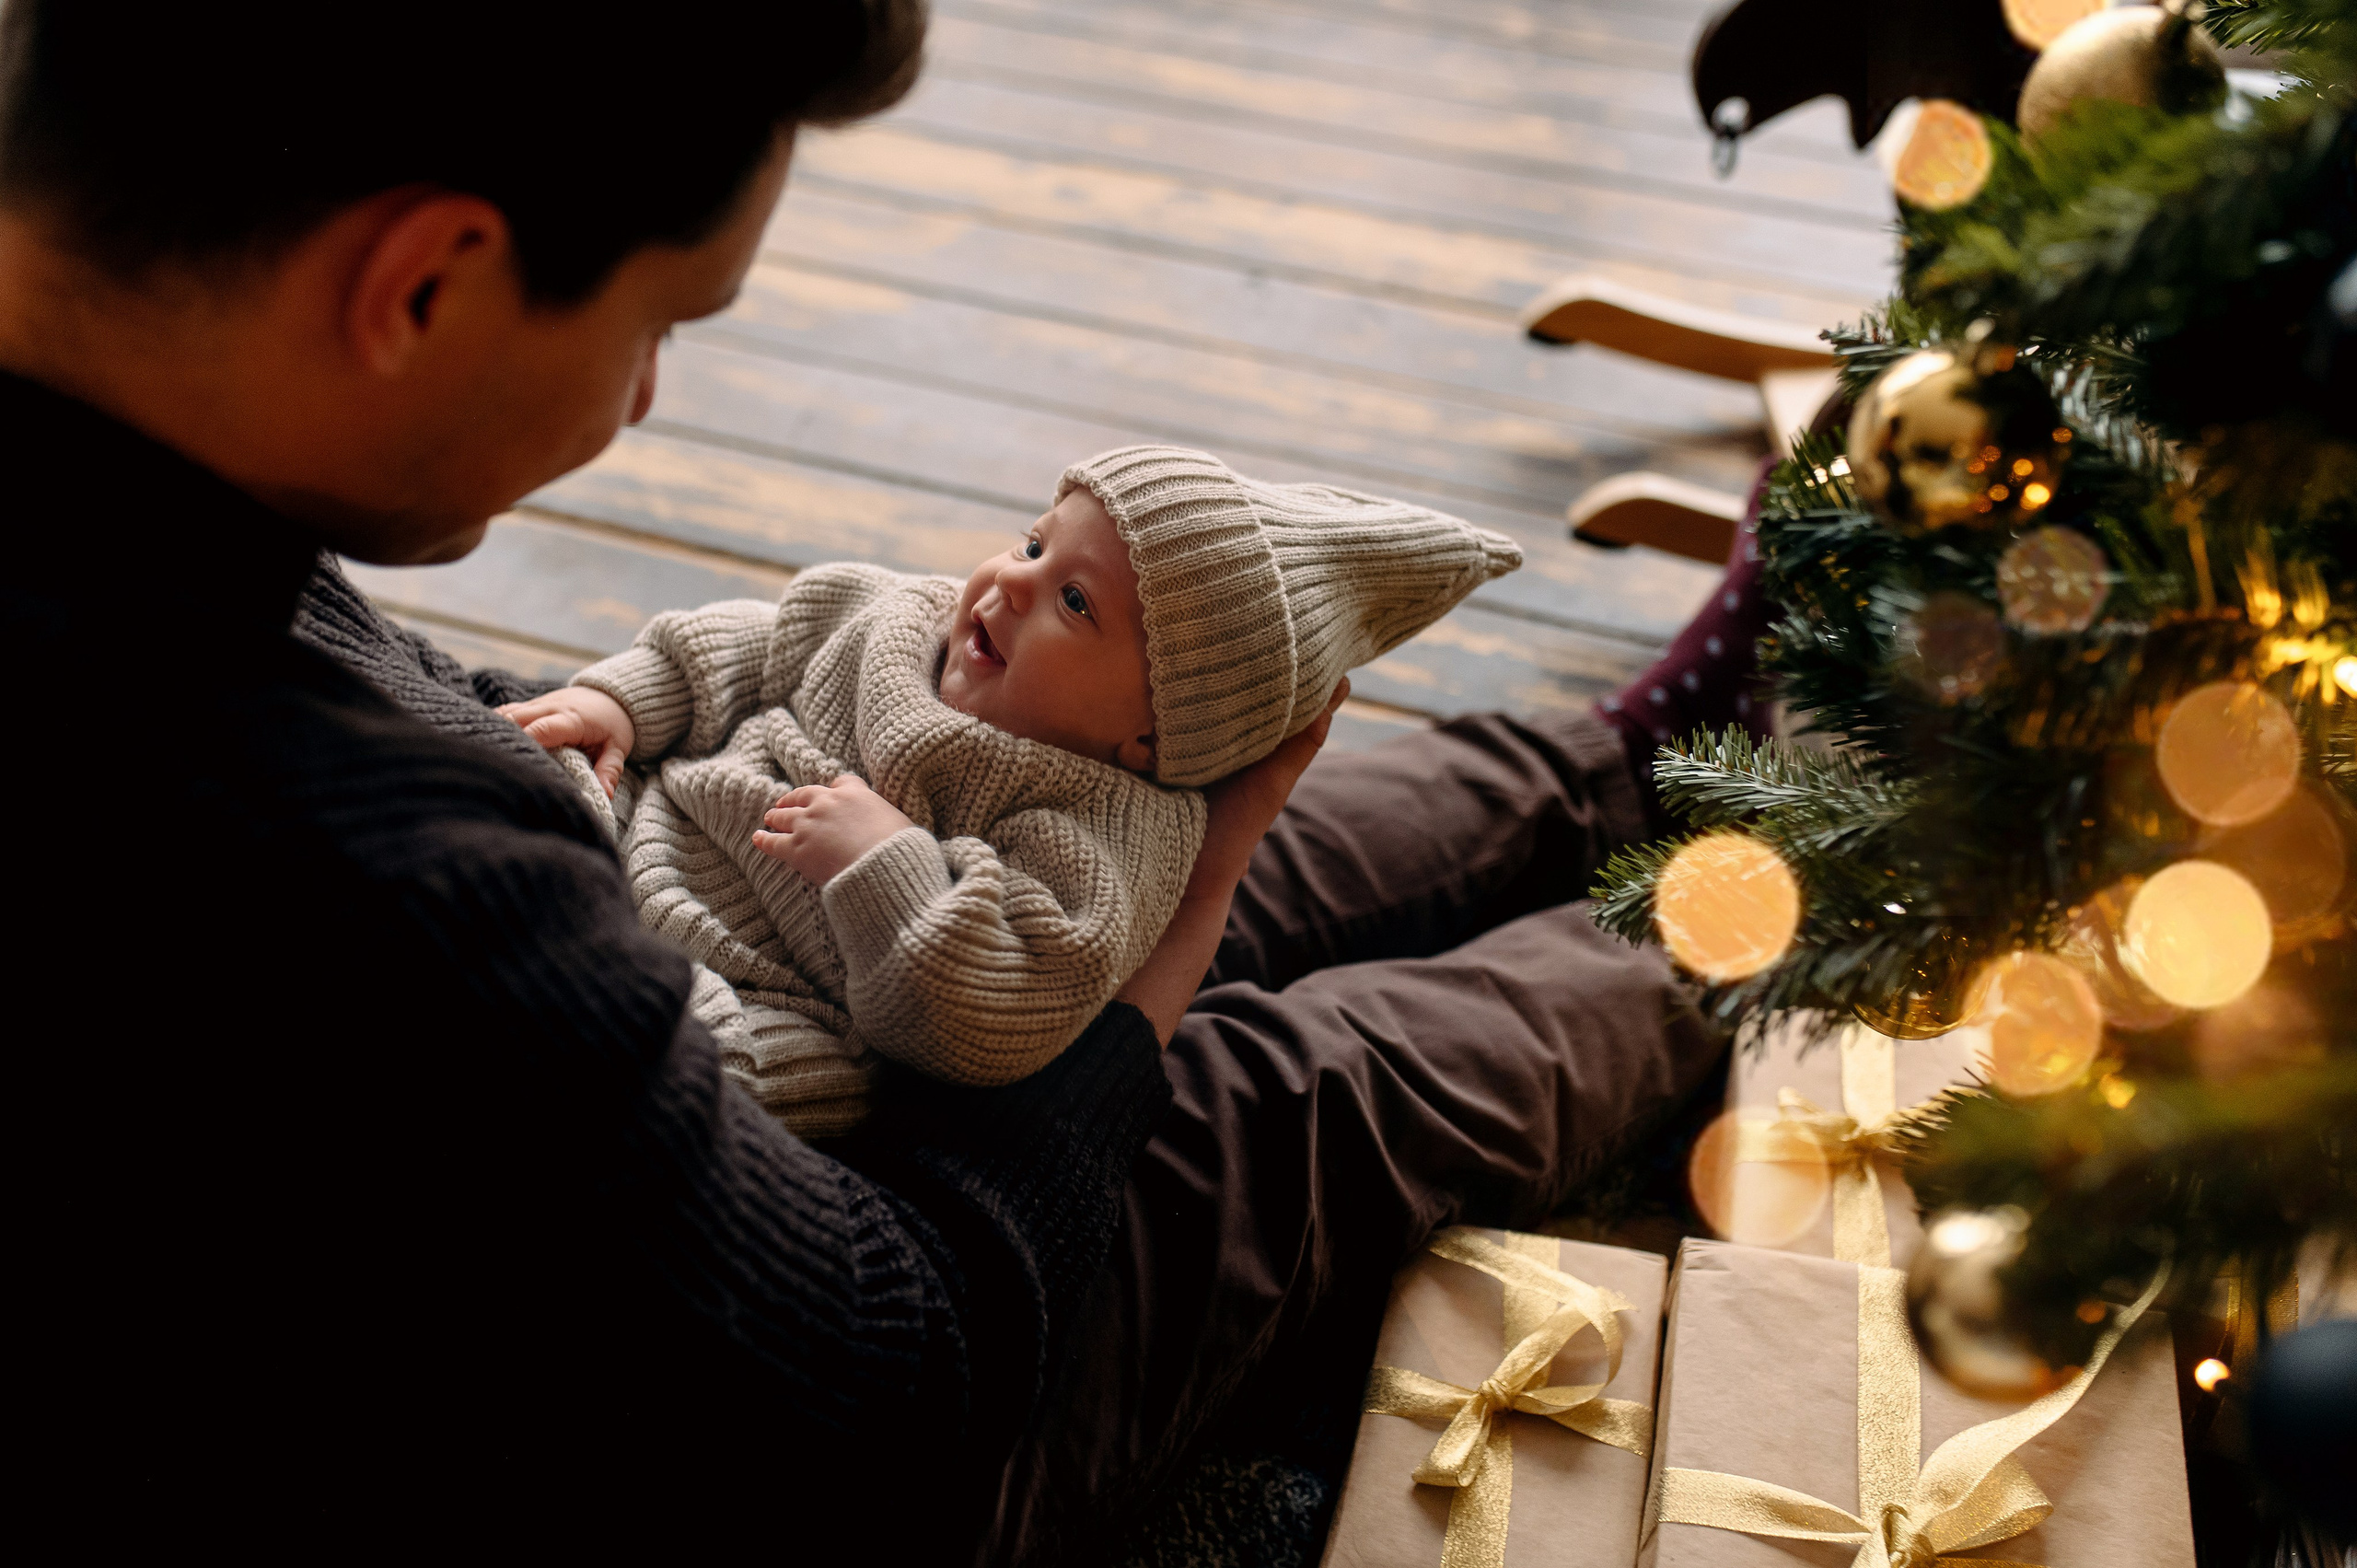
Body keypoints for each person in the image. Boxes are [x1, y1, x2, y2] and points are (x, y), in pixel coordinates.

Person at [0, 0, 1753, 1553]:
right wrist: (1166, 947)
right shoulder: (396, 907)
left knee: (1170, 860)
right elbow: (910, 1378)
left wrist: (635, 723)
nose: (636, 405)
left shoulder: (143, 531)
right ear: (426, 281)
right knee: (1263, 1096)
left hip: (638, 1069)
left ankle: (1635, 748)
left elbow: (419, 719)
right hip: (779, 1402)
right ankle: (1748, 926)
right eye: (656, 328)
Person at [495, 445, 1518, 1135]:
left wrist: (886, 863)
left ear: (1151, 735)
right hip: (641, 832)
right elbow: (747, 645)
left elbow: (993, 1013)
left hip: (772, 1000)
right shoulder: (901, 619)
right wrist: (623, 702)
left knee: (703, 1078)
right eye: (1034, 542)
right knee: (525, 771)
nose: (1014, 582)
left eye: (1075, 600)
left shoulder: (1099, 831)